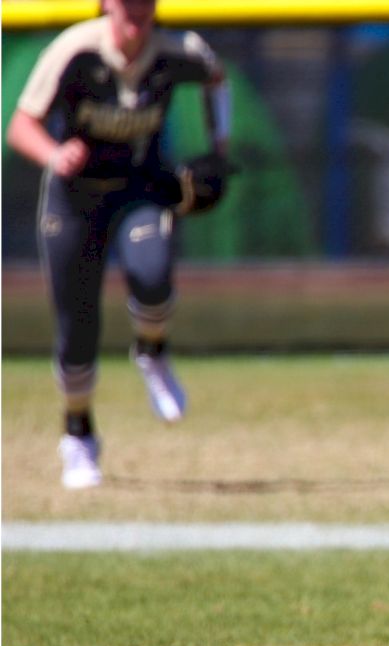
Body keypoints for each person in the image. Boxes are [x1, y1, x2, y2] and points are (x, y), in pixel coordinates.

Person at [6, 0, 231, 489]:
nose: (137, 11)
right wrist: (54, 152)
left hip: (137, 189)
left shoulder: (178, 51)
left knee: (152, 274)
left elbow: (218, 79)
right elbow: (21, 125)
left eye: (145, 2)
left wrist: (221, 145)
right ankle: (79, 436)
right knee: (77, 329)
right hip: (75, 200)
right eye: (127, 2)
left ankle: (151, 351)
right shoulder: (76, 50)